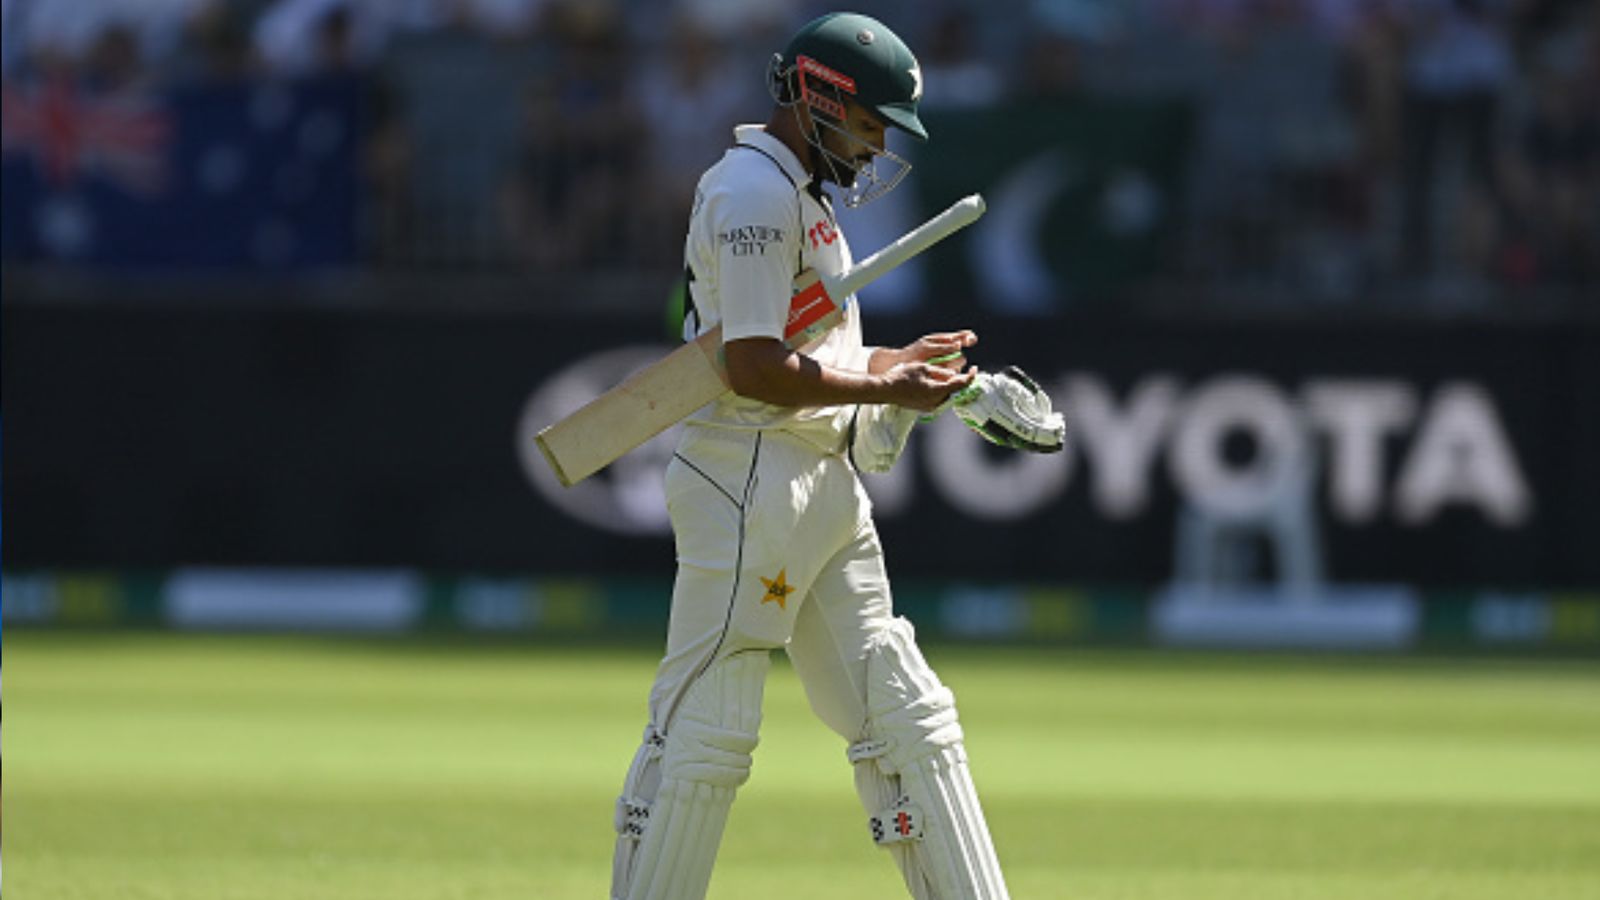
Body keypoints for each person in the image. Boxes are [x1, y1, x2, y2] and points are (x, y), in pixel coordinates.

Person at [609, 12, 1012, 900]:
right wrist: (885, 392)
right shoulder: (753, 194)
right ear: (816, 98)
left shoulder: (804, 194)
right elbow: (753, 366)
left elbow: (808, 352)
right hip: (747, 476)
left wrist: (888, 364)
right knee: (706, 732)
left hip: (820, 479)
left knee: (907, 716)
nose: (878, 149)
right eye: (870, 124)